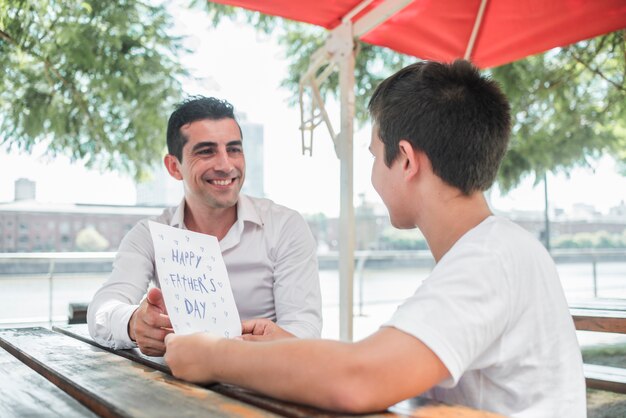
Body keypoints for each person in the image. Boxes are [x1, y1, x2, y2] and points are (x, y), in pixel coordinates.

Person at [163, 61, 586, 417]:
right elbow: (379, 362)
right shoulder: (494, 250)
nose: (371, 175)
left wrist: (212, 355)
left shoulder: (491, 258)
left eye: (372, 156)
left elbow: (359, 378)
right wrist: (287, 350)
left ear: (405, 159)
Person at [87, 96, 322, 356]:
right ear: (174, 167)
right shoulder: (150, 234)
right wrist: (133, 324)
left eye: (234, 149)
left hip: (266, 381)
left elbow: (304, 327)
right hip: (177, 383)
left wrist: (254, 348)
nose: (225, 165)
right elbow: (103, 309)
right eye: (206, 151)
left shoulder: (285, 226)